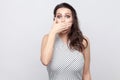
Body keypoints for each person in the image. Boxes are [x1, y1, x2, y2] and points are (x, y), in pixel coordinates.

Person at [40, 2, 91, 80]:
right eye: (59, 16)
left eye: (67, 16)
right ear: (55, 20)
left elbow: (86, 73)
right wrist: (53, 32)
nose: (63, 20)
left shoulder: (83, 41)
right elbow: (45, 61)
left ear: (73, 20)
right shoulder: (47, 38)